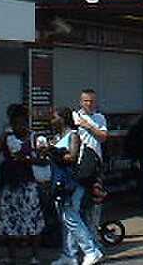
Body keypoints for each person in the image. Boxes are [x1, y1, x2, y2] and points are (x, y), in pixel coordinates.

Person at [50, 107, 103, 265]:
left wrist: (53, 151)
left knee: (71, 217)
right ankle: (69, 255)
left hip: (71, 183)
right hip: (59, 181)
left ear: (63, 119)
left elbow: (72, 157)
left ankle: (91, 250)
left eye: (54, 117)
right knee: (66, 220)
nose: (51, 121)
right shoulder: (57, 137)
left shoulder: (73, 135)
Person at [0, 104, 43, 265]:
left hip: (29, 184)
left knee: (32, 221)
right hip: (10, 184)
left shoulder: (34, 137)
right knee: (10, 222)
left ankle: (35, 256)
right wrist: (3, 137)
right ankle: (11, 256)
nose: (19, 127)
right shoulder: (7, 137)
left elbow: (44, 159)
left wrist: (27, 159)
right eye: (16, 124)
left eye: (22, 124)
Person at [73, 89, 108, 235]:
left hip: (96, 164)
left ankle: (94, 235)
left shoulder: (99, 117)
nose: (89, 103)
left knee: (96, 199)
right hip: (80, 165)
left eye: (91, 101)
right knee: (79, 200)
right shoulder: (75, 117)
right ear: (81, 102)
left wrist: (89, 126)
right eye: (86, 101)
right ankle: (81, 236)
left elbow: (103, 136)